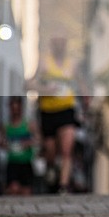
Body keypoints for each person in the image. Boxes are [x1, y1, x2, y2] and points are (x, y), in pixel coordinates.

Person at [34, 36, 82, 194]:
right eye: (57, 43)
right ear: (52, 45)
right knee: (51, 150)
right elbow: (29, 83)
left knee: (67, 150)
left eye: (63, 43)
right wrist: (45, 90)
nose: (60, 46)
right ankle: (50, 167)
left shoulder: (72, 64)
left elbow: (81, 84)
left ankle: (63, 186)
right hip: (48, 111)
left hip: (67, 109)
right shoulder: (44, 63)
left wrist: (86, 99)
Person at [0, 96, 37, 195]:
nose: (15, 112)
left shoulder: (29, 125)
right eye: (13, 109)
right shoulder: (6, 126)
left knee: (26, 191)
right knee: (13, 189)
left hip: (26, 162)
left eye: (17, 109)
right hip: (12, 163)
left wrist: (28, 143)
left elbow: (37, 140)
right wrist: (6, 145)